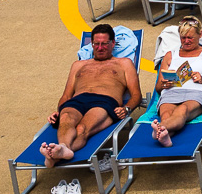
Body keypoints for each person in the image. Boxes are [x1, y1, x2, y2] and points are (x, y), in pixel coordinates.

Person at [41, 23, 141, 169]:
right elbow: (66, 94)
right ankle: (62, 149)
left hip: (105, 102)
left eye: (105, 44)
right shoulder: (79, 65)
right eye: (96, 44)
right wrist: (60, 110)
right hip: (78, 100)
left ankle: (56, 154)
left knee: (82, 128)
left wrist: (126, 108)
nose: (100, 48)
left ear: (113, 43)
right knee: (66, 119)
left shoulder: (124, 63)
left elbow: (136, 94)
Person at [148, 15, 202, 147]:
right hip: (171, 92)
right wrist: (164, 84)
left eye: (190, 37)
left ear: (200, 34)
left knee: (182, 110)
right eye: (183, 38)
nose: (186, 41)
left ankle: (158, 130)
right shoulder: (170, 55)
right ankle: (165, 136)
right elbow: (158, 88)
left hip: (197, 92)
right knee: (166, 114)